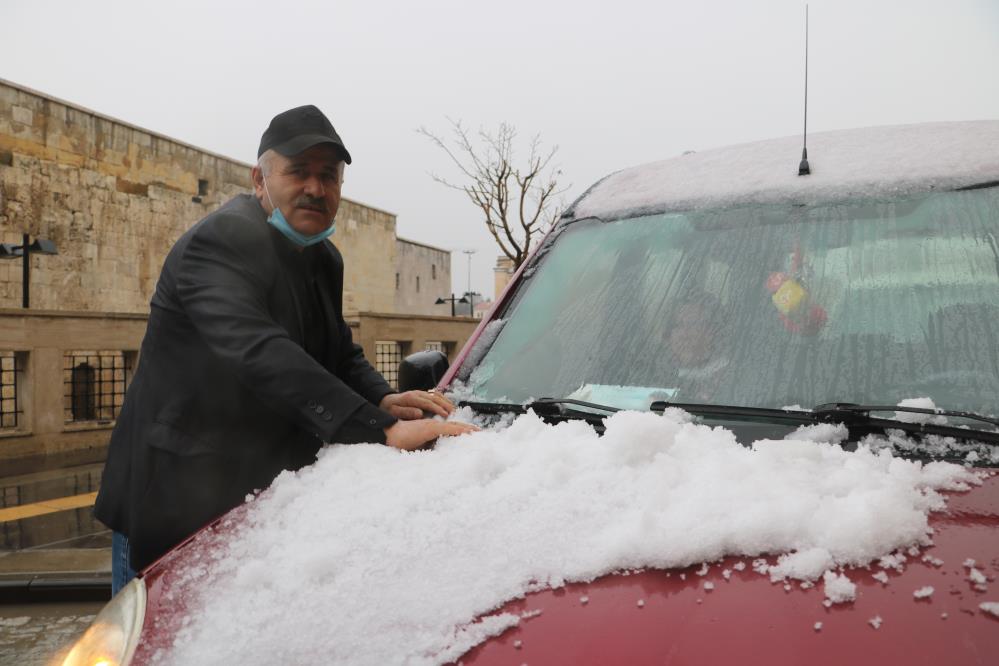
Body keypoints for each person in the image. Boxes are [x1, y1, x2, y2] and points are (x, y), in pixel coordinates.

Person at [94, 105, 477, 593]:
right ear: (260, 179)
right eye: (299, 172)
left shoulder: (322, 256)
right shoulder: (222, 240)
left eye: (329, 176)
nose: (316, 189)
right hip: (174, 508)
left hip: (250, 511)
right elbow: (260, 352)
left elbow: (337, 350)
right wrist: (382, 429)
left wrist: (381, 397)